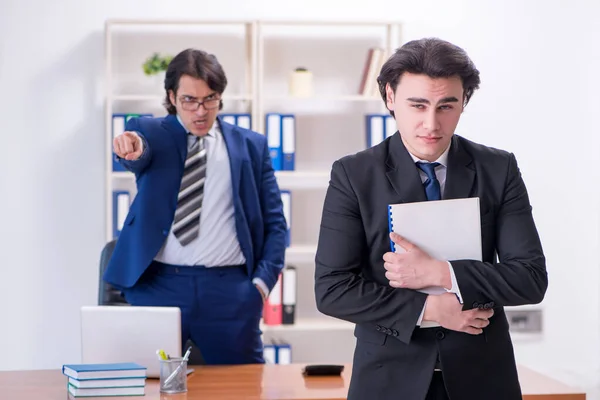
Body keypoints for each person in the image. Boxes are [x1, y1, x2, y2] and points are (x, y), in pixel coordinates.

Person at [314, 37, 548, 400]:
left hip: (483, 378)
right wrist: (430, 309)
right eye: (417, 105)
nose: (431, 123)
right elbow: (332, 289)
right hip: (388, 380)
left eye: (446, 106)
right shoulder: (353, 175)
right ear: (391, 98)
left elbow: (530, 279)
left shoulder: (498, 169)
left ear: (463, 103)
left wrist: (441, 273)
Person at [103, 48, 287, 365]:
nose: (200, 111)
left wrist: (259, 286)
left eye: (210, 99)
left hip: (230, 293)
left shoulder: (250, 146)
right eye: (189, 100)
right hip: (159, 287)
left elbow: (275, 225)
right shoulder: (151, 134)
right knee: (147, 385)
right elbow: (138, 151)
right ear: (172, 97)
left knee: (241, 389)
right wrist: (129, 148)